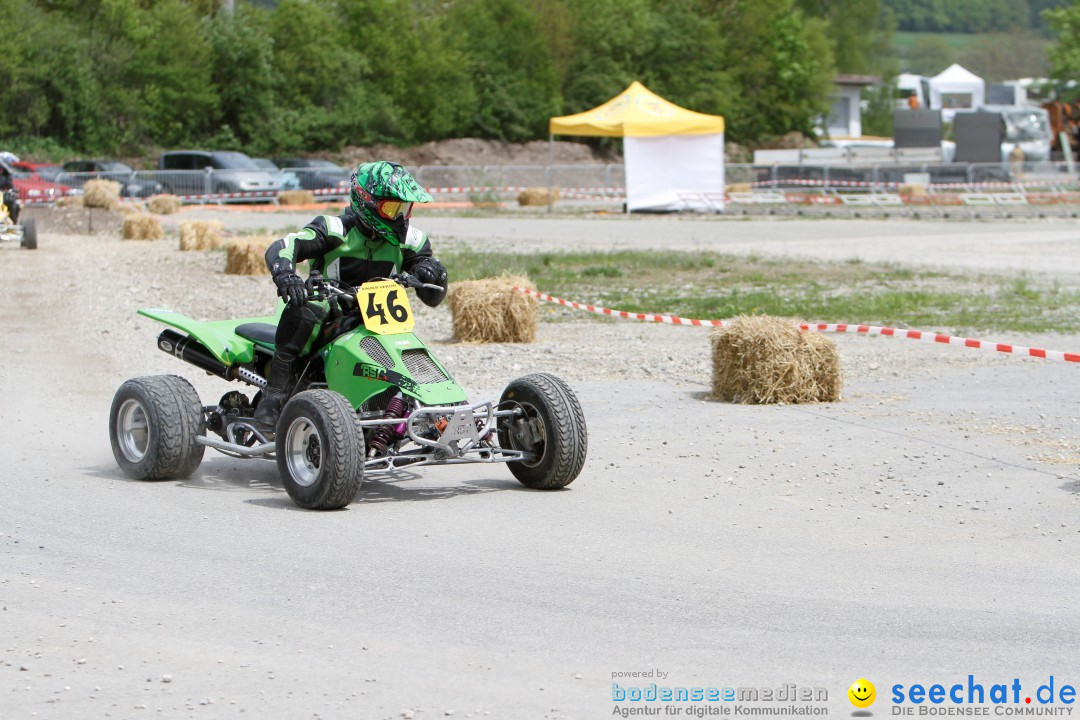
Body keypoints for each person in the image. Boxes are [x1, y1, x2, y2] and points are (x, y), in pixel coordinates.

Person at [253, 160, 448, 433]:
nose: (400, 217)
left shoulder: (410, 240)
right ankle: (272, 400)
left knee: (404, 340)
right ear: (366, 202)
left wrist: (432, 272)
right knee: (308, 307)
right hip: (329, 306)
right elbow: (286, 245)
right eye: (392, 208)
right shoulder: (335, 229)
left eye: (404, 208)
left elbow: (433, 297)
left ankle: (428, 404)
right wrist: (287, 277)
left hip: (375, 313)